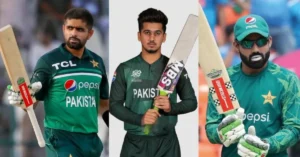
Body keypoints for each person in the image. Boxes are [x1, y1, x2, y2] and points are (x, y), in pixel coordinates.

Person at [7, 8, 109, 157]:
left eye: (80, 29)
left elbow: (103, 104)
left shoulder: (97, 63)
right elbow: (32, 100)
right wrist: (22, 98)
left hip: (90, 141)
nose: (73, 33)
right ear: (63, 29)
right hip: (61, 141)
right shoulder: (48, 62)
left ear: (90, 33)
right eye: (70, 28)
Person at [205, 14, 300, 157]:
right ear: (236, 45)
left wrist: (267, 145)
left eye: (261, 42)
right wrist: (220, 132)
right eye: (247, 43)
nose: (255, 49)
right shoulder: (224, 81)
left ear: (269, 42)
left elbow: (294, 128)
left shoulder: (287, 80)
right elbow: (210, 128)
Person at [109, 8, 197, 157]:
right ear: (139, 35)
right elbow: (114, 105)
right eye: (147, 32)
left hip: (167, 144)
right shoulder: (125, 68)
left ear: (164, 37)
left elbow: (192, 102)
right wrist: (140, 119)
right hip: (135, 144)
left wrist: (171, 107)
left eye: (157, 33)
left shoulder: (175, 67)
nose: (152, 38)